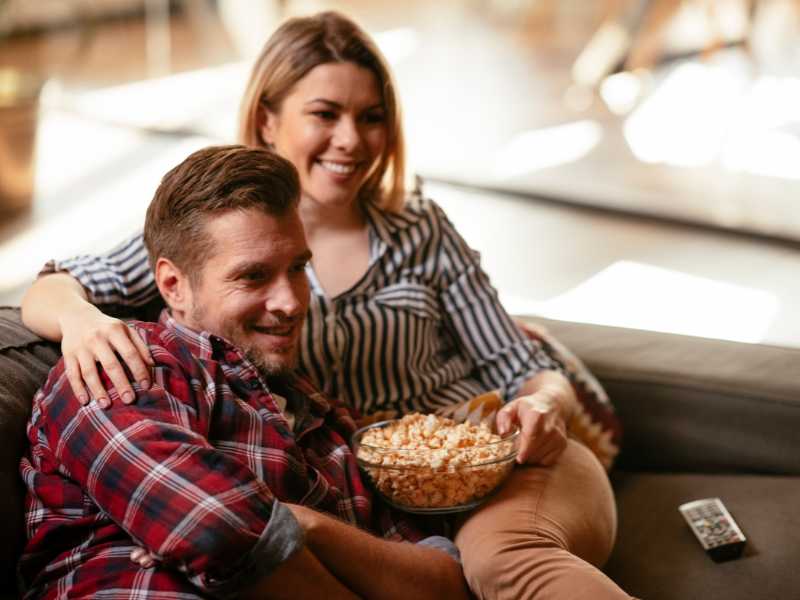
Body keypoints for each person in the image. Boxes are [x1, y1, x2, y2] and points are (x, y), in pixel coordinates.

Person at [21, 11, 632, 600]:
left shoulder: (418, 230)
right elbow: (58, 284)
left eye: (371, 117)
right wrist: (82, 322)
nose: (351, 139)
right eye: (325, 113)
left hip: (490, 457)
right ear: (267, 120)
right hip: (383, 489)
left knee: (504, 560)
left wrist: (546, 405)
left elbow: (517, 362)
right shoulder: (216, 226)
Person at [19, 144, 469, 600]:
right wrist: (299, 536)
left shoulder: (326, 421)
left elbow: (441, 581)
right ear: (174, 285)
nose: (291, 303)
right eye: (253, 277)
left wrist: (306, 524)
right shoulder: (122, 367)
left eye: (297, 269)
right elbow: (216, 530)